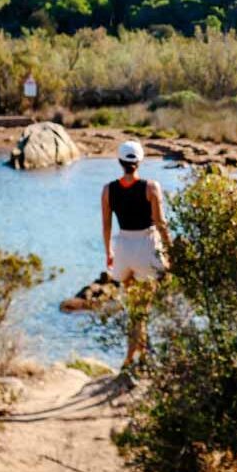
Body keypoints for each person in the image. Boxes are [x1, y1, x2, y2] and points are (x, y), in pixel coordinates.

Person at [101, 140, 171, 366]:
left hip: (123, 249)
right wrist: (170, 251)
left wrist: (109, 252)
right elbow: (160, 223)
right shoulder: (151, 187)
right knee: (143, 309)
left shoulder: (108, 190)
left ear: (120, 162)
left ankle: (134, 356)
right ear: (140, 161)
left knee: (134, 309)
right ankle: (137, 357)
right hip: (146, 248)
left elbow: (106, 226)